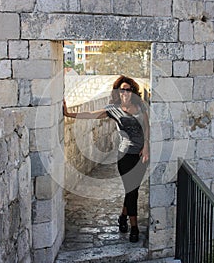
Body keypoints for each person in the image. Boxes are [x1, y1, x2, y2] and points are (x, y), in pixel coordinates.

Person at [63, 75, 149, 243]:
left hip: (141, 155)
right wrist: (68, 113)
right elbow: (91, 114)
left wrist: (146, 145)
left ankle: (123, 217)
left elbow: (146, 127)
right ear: (118, 92)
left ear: (133, 91)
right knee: (132, 191)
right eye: (122, 89)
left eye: (128, 89)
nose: (125, 92)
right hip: (124, 156)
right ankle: (134, 228)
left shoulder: (140, 106)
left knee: (132, 190)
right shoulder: (113, 109)